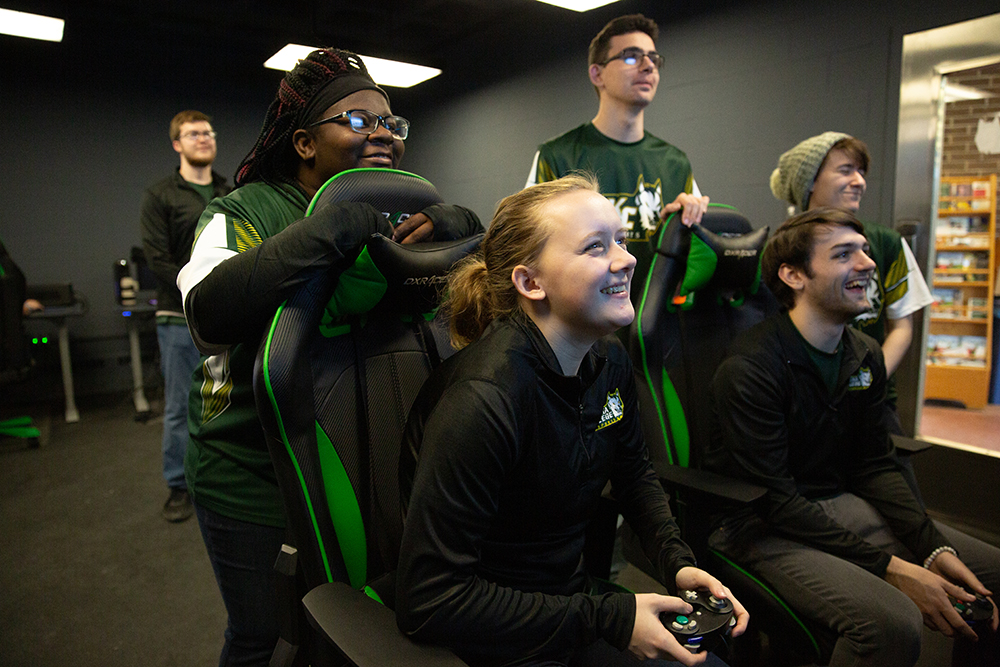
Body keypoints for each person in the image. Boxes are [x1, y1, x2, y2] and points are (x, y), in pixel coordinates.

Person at [175, 48, 482, 666]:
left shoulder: (398, 210)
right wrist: (329, 231)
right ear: (305, 143)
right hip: (250, 468)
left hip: (357, 447)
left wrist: (461, 226)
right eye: (359, 121)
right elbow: (208, 313)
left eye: (393, 124)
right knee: (267, 633)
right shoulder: (245, 209)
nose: (385, 136)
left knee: (357, 619)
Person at [396, 174, 748, 667]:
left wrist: (677, 563)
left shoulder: (607, 362)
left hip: (567, 605)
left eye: (622, 241)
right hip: (490, 637)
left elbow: (634, 476)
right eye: (595, 247)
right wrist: (609, 619)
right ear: (530, 282)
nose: (626, 260)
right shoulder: (484, 400)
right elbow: (429, 603)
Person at [705, 207, 999, 667]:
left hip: (839, 506)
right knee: (890, 624)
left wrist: (930, 546)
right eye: (845, 254)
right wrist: (892, 567)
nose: (867, 263)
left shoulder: (863, 355)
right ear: (794, 275)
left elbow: (875, 464)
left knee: (993, 573)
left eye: (864, 250)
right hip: (762, 526)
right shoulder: (751, 368)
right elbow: (775, 500)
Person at [525, 14, 710, 304]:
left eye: (653, 58)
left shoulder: (675, 162)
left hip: (656, 322)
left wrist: (684, 222)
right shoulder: (557, 155)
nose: (648, 65)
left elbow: (697, 256)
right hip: (585, 323)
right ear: (597, 74)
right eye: (630, 57)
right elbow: (529, 247)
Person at [140, 110, 231, 522]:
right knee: (179, 405)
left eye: (208, 132)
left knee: (226, 397)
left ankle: (221, 477)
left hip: (226, 316)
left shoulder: (230, 192)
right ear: (177, 143)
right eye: (193, 134)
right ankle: (178, 486)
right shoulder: (161, 195)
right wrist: (196, 289)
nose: (203, 139)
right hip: (177, 318)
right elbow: (157, 258)